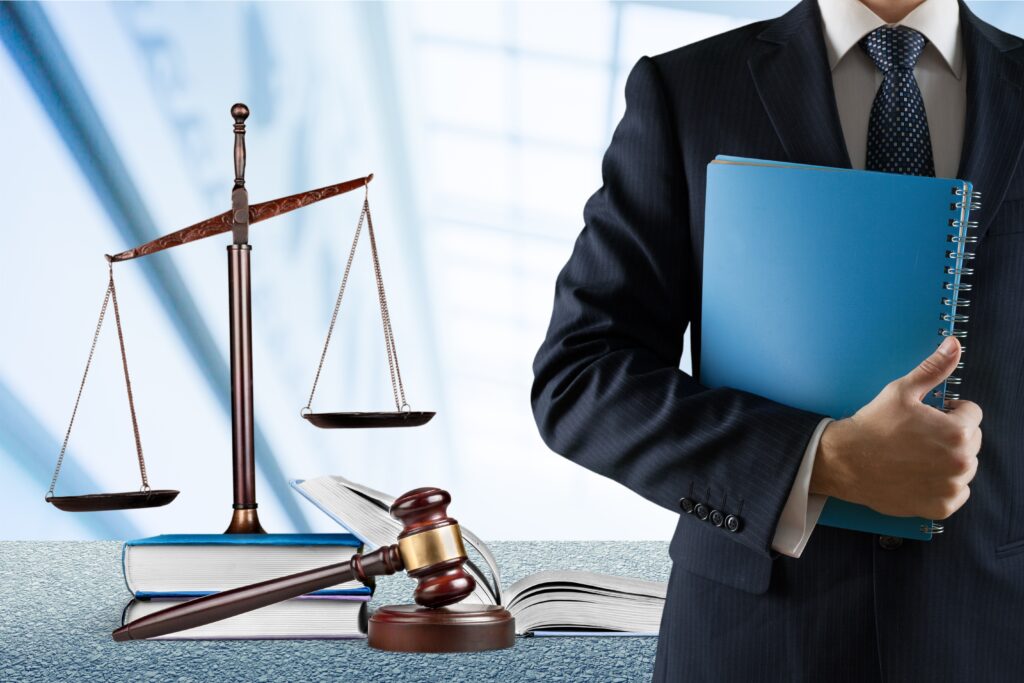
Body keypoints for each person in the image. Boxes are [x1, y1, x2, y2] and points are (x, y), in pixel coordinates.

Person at [531, 0, 1024, 679]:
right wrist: (819, 460)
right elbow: (580, 378)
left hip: (997, 631)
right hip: (752, 640)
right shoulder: (686, 91)